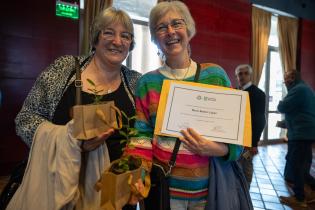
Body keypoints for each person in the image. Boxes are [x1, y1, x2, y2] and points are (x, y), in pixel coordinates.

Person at [6, 7, 141, 210]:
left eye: (125, 36)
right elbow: (25, 119)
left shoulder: (136, 82)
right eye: (108, 32)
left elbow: (144, 134)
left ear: (131, 44)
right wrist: (71, 141)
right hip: (61, 189)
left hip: (115, 196)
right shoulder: (65, 69)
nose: (117, 41)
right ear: (95, 38)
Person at [125, 1, 244, 210]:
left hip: (208, 192)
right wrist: (139, 173)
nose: (170, 31)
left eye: (176, 23)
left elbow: (237, 137)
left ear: (188, 29)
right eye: (161, 27)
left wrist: (215, 148)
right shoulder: (148, 83)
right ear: (154, 38)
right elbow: (140, 136)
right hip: (163, 191)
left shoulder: (215, 76)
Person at [277, 70, 315, 208]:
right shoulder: (306, 88)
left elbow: (282, 107)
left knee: (296, 166)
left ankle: (299, 199)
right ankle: (311, 194)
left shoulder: (297, 90)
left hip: (300, 134)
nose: (285, 82)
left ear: (292, 78)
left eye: (286, 79)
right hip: (307, 133)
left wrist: (282, 101)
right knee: (303, 166)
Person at [235, 64, 266, 187]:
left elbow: (260, 120)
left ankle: (246, 195)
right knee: (236, 166)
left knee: (246, 167)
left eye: (245, 73)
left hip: (248, 140)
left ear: (250, 75)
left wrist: (254, 143)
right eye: (239, 74)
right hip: (236, 137)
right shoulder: (235, 92)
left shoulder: (258, 94)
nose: (242, 76)